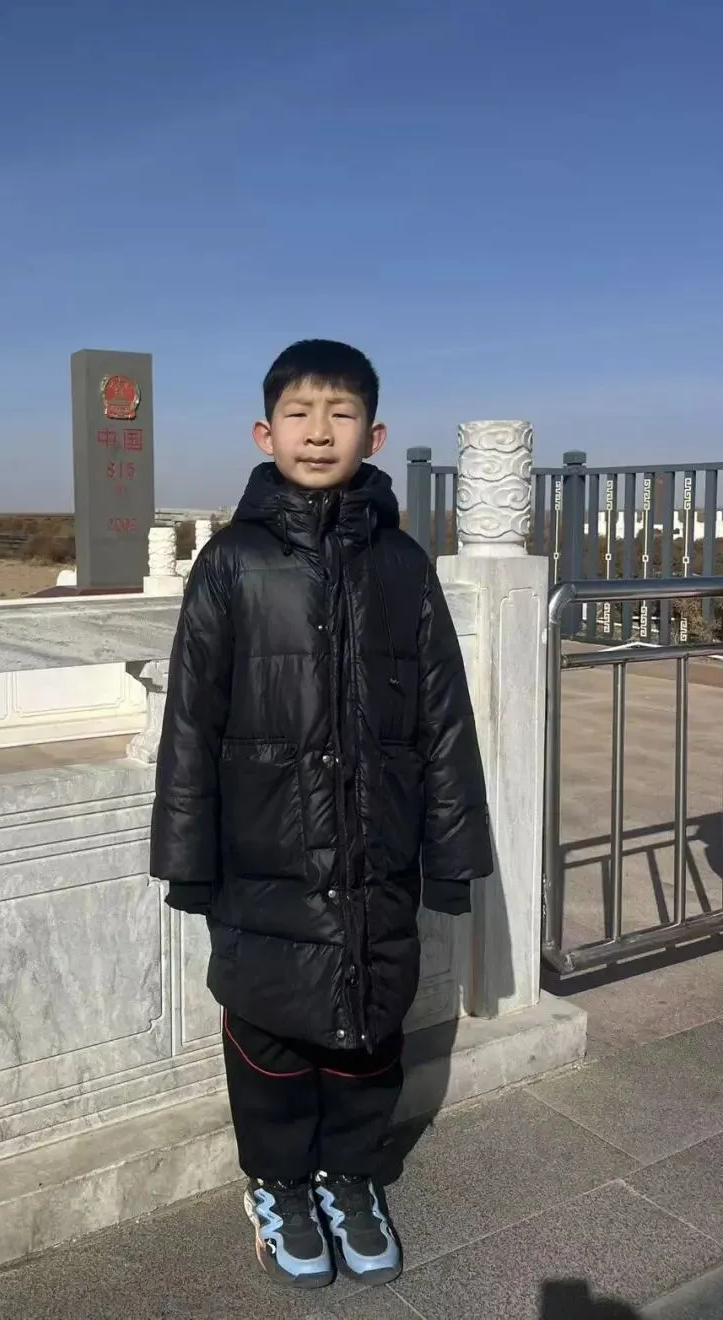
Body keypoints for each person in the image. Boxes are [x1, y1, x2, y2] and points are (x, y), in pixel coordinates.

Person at [149, 339, 493, 1290]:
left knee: (370, 1024)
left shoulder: (404, 565)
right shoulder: (232, 562)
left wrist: (453, 856)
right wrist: (187, 856)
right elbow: (190, 721)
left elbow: (444, 716)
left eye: (340, 414)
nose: (318, 431)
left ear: (372, 435)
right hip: (264, 851)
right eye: (299, 413)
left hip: (378, 850)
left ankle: (350, 1176)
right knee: (268, 1024)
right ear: (265, 433)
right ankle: (278, 1184)